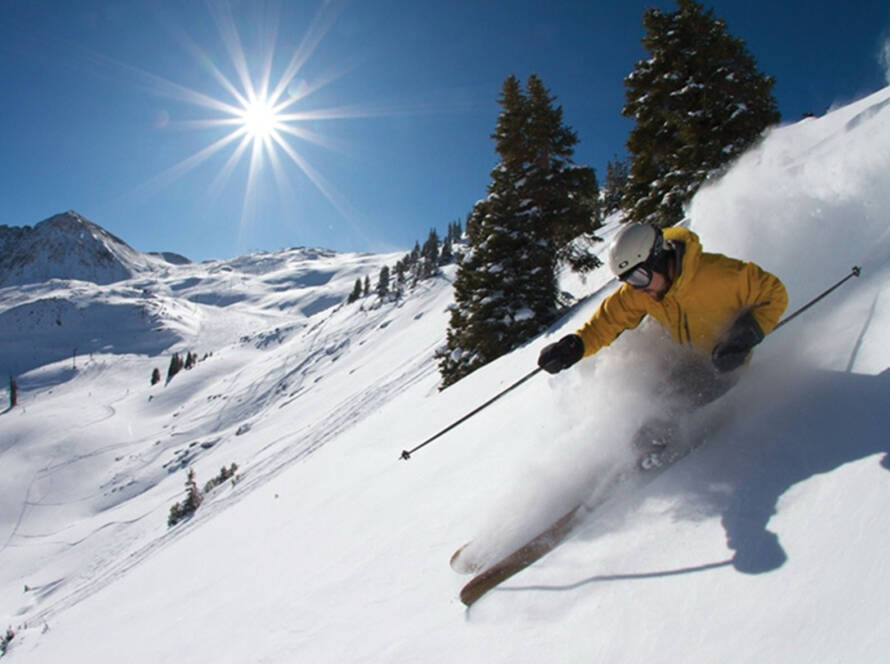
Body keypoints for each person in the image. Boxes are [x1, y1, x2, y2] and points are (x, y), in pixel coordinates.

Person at [538, 223, 788, 467]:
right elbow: (607, 322)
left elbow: (774, 294)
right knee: (647, 395)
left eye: (639, 276)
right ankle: (635, 453)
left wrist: (742, 338)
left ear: (658, 259)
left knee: (665, 410)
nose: (637, 287)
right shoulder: (642, 290)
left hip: (724, 363)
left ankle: (664, 459)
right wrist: (575, 346)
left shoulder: (718, 275)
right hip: (687, 358)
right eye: (629, 280)